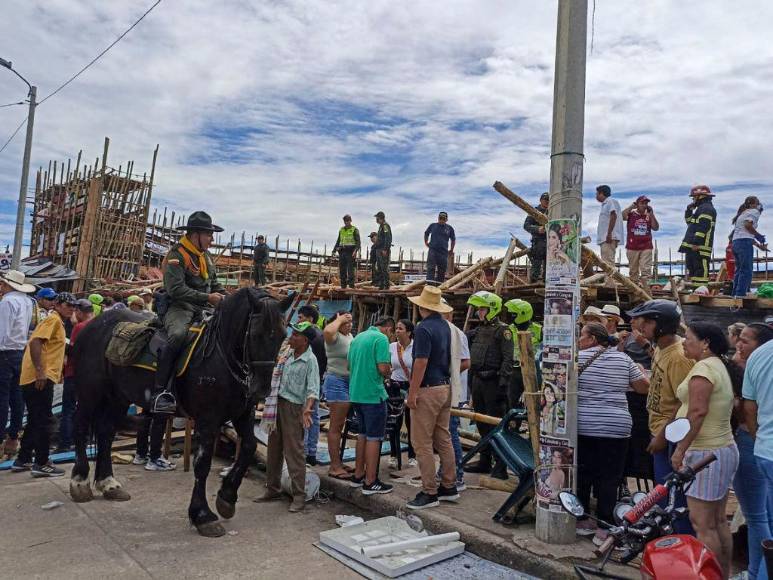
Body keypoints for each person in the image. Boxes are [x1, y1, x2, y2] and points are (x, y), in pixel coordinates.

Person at [670, 322, 738, 578]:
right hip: (720, 449)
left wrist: (680, 450)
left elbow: (698, 412)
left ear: (705, 343)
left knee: (703, 524)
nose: (684, 343)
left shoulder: (704, 368)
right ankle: (723, 574)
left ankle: (712, 575)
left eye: (688, 338)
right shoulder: (717, 365)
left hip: (705, 453)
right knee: (718, 521)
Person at [575, 322, 649, 546]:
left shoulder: (577, 359)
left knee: (584, 474)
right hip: (616, 428)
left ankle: (583, 519)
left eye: (582, 336)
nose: (579, 340)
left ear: (593, 339)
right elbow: (643, 387)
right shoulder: (623, 359)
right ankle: (605, 526)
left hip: (584, 424)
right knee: (610, 478)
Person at [627, 300, 695, 535]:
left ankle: (681, 544)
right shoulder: (663, 349)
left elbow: (683, 402)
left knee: (675, 500)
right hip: (661, 431)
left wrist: (663, 436)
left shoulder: (679, 357)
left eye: (645, 322)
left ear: (661, 325)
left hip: (671, 435)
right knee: (663, 495)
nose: (640, 326)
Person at [155, 211, 225, 414]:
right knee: (177, 335)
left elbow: (214, 283)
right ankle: (162, 392)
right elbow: (175, 289)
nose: (212, 239)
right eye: (209, 235)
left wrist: (226, 296)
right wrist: (208, 298)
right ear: (196, 235)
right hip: (180, 307)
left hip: (204, 307)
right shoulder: (177, 255)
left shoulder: (206, 256)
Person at [256, 322, 319, 512]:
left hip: (294, 408)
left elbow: (313, 389)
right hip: (277, 403)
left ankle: (299, 495)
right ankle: (272, 488)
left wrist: (307, 409)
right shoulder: (287, 353)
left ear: (305, 340)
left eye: (295, 335)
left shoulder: (310, 361)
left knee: (294, 452)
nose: (291, 337)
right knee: (274, 449)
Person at [405, 286, 459, 509]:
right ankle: (449, 484)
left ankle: (429, 491)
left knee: (422, 442)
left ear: (421, 306)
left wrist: (412, 392)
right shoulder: (445, 327)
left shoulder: (423, 328)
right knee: (443, 438)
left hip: (427, 388)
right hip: (444, 387)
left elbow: (420, 362)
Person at [12, 292, 76, 476]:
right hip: (38, 378)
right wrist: (41, 371)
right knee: (44, 421)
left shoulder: (57, 321)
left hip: (35, 377)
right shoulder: (53, 320)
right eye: (67, 305)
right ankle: (42, 462)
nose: (71, 308)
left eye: (73, 306)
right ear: (57, 304)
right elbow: (35, 343)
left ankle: (23, 458)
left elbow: (52, 348)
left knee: (35, 419)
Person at [733, 323, 773, 580]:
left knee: (763, 517)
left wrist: (760, 437)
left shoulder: (760, 356)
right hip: (760, 446)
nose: (738, 344)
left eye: (745, 340)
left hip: (763, 449)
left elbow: (749, 407)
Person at [464, 291, 513, 480]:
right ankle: (484, 460)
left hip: (493, 382)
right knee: (482, 423)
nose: (479, 313)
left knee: (496, 423)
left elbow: (508, 360)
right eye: (478, 309)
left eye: (482, 309)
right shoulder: (478, 331)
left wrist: (503, 385)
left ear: (492, 309)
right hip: (478, 381)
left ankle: (500, 464)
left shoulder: (504, 330)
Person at [347, 317, 393, 495]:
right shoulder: (381, 339)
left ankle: (358, 475)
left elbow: (350, 365)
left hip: (356, 393)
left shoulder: (358, 337)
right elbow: (383, 368)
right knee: (375, 437)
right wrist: (389, 372)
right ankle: (371, 480)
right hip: (373, 394)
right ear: (388, 329)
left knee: (362, 434)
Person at [0, 270, 35, 459]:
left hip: (4, 352)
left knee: (2, 399)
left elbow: (2, 333)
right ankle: (13, 438)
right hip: (19, 352)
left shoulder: (7, 302)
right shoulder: (27, 301)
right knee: (16, 398)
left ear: (7, 285)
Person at [440, 300, 471, 491]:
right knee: (443, 435)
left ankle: (457, 475)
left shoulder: (456, 334)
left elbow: (466, 362)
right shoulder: (442, 332)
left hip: (453, 392)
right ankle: (446, 470)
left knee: (450, 434)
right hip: (444, 390)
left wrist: (444, 373)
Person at [57, 299, 94, 453]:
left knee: (68, 409)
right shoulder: (97, 324)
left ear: (79, 312)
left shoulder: (79, 327)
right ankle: (84, 440)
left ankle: (65, 443)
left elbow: (72, 350)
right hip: (90, 374)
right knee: (86, 408)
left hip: (74, 373)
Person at [322, 311, 355, 480]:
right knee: (335, 426)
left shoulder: (349, 336)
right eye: (345, 322)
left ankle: (338, 462)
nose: (349, 324)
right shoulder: (333, 337)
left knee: (341, 425)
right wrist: (339, 319)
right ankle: (334, 466)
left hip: (348, 381)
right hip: (336, 381)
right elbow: (327, 331)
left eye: (350, 321)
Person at [296, 304, 327, 466]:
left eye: (300, 318)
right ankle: (311, 453)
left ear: (310, 319)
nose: (298, 320)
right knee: (313, 416)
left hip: (308, 383)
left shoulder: (310, 336)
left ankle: (304, 452)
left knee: (306, 415)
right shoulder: (321, 335)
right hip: (317, 381)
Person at [503, 299, 542, 419]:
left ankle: (534, 429)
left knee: (534, 400)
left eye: (514, 314)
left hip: (533, 370)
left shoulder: (539, 329)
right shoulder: (508, 329)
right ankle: (513, 426)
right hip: (514, 370)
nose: (512, 317)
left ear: (523, 314)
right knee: (511, 401)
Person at [388, 319, 417, 469]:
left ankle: (412, 455)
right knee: (395, 423)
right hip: (395, 387)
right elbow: (386, 365)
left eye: (400, 328)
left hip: (411, 386)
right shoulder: (392, 347)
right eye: (396, 328)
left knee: (411, 422)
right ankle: (393, 454)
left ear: (409, 332)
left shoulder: (416, 347)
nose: (397, 331)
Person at [679, 185, 717, 285]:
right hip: (693, 246)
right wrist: (689, 210)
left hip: (700, 247)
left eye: (694, 197)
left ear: (701, 196)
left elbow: (704, 227)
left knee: (700, 272)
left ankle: (700, 294)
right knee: (693, 271)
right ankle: (696, 292)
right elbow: (690, 223)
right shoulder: (700, 209)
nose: (693, 199)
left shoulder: (707, 209)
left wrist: (696, 242)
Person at [730, 196, 768, 298]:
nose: (759, 205)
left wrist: (759, 245)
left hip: (736, 243)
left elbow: (745, 234)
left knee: (739, 270)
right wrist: (758, 236)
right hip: (743, 243)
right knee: (746, 270)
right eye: (757, 203)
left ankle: (735, 294)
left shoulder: (743, 213)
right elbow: (747, 226)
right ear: (752, 204)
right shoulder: (754, 211)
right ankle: (740, 295)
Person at [622, 195, 659, 286]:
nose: (644, 205)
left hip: (646, 246)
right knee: (633, 271)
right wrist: (631, 207)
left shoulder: (649, 215)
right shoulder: (632, 214)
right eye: (642, 203)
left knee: (645, 270)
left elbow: (656, 227)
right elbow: (622, 216)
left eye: (646, 203)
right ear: (637, 204)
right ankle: (635, 292)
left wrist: (652, 214)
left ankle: (646, 290)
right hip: (632, 247)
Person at [595, 185, 624, 287]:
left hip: (608, 237)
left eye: (597, 193)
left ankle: (610, 285)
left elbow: (613, 215)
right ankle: (609, 283)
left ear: (601, 193)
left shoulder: (610, 201)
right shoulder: (605, 204)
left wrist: (609, 233)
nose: (596, 196)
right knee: (606, 261)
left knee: (608, 263)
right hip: (606, 237)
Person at [524, 192, 549, 283]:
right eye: (545, 199)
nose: (547, 202)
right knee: (536, 264)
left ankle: (546, 282)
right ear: (541, 200)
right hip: (538, 241)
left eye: (548, 200)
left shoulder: (553, 212)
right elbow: (526, 226)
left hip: (550, 242)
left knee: (549, 264)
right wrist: (538, 229)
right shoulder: (534, 212)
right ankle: (533, 282)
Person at [424, 211, 455, 283]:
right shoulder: (433, 225)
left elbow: (453, 239)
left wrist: (451, 249)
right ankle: (429, 285)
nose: (442, 220)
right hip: (433, 250)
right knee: (431, 268)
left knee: (442, 270)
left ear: (446, 219)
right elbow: (426, 233)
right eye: (440, 218)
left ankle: (439, 286)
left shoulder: (449, 228)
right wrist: (426, 242)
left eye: (443, 219)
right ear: (438, 218)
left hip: (443, 253)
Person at [333, 215, 361, 289]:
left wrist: (355, 251)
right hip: (342, 252)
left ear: (350, 221)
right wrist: (334, 250)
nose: (346, 222)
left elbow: (358, 242)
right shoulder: (341, 230)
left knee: (350, 270)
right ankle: (343, 286)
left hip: (351, 252)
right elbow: (338, 240)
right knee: (342, 269)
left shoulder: (354, 230)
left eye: (348, 221)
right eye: (345, 221)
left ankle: (351, 286)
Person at [373, 211, 392, 290]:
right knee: (380, 268)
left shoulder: (385, 226)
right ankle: (381, 285)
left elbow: (388, 238)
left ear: (381, 218)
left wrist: (385, 249)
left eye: (377, 218)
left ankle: (386, 285)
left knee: (384, 268)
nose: (376, 219)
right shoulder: (380, 226)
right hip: (379, 249)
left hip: (383, 250)